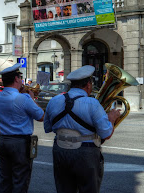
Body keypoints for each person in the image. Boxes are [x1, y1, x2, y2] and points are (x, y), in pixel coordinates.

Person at [44, 65, 120, 193]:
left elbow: (47, 128)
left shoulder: (54, 100)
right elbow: (106, 134)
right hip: (86, 153)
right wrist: (111, 118)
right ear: (88, 85)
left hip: (60, 150)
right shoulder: (92, 103)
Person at [0, 63, 44, 193]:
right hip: (19, 143)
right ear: (16, 79)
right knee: (20, 180)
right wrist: (32, 99)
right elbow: (41, 116)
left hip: (3, 140)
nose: (22, 81)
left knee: (4, 179)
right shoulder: (23, 98)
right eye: (20, 78)